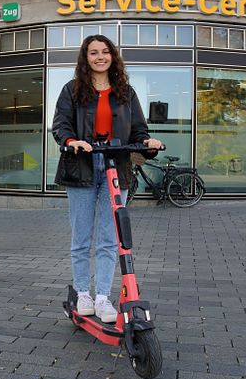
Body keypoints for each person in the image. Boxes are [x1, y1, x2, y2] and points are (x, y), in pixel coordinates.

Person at [52, 35, 163, 323]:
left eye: (105, 52)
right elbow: (61, 125)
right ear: (85, 58)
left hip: (117, 166)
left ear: (112, 56)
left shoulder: (126, 92)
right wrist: (72, 140)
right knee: (81, 237)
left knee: (108, 238)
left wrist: (147, 142)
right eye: (93, 52)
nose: (99, 57)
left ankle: (102, 297)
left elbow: (138, 130)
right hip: (82, 166)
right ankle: (82, 293)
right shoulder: (72, 90)